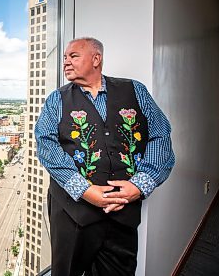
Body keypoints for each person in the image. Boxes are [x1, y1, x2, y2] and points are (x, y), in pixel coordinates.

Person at [35, 37, 175, 276]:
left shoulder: (135, 90)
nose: (66, 62)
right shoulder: (56, 99)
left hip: (123, 215)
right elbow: (46, 146)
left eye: (74, 56)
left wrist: (139, 186)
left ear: (96, 59)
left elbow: (161, 136)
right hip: (72, 215)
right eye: (65, 58)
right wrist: (85, 190)